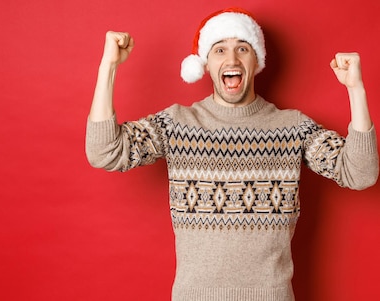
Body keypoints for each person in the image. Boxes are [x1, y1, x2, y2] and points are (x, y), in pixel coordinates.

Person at [85, 7, 378, 301]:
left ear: (257, 60)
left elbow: (359, 173)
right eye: (219, 49)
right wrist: (108, 66)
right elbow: (105, 151)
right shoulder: (177, 124)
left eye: (242, 48)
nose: (232, 59)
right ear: (206, 64)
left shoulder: (292, 127)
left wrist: (356, 89)